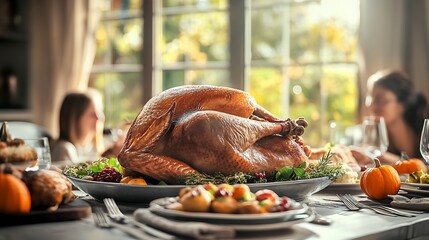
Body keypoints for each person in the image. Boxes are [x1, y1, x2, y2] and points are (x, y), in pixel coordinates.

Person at [352, 70, 429, 165]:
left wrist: (385, 157)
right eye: (371, 97)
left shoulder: (425, 131)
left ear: (402, 104)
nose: (372, 105)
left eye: (381, 99)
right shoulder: (374, 137)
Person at [51, 89, 105, 166]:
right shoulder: (63, 149)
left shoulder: (95, 147)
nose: (99, 117)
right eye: (92, 114)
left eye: (100, 111)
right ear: (74, 119)